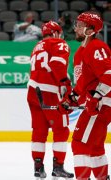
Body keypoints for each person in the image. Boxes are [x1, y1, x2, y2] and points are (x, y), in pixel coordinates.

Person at [59, 11, 111, 179]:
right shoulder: (80, 53)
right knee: (95, 146)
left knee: (80, 142)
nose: (76, 29)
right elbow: (82, 86)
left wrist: (96, 97)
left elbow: (109, 74)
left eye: (80, 26)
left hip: (101, 104)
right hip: (96, 102)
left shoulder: (97, 47)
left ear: (90, 31)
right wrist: (70, 100)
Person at [27, 21, 74, 179]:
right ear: (56, 33)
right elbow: (57, 64)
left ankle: (38, 168)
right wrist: (66, 84)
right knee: (61, 130)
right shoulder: (59, 43)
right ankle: (58, 166)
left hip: (33, 91)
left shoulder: (37, 46)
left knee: (39, 132)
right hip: (49, 91)